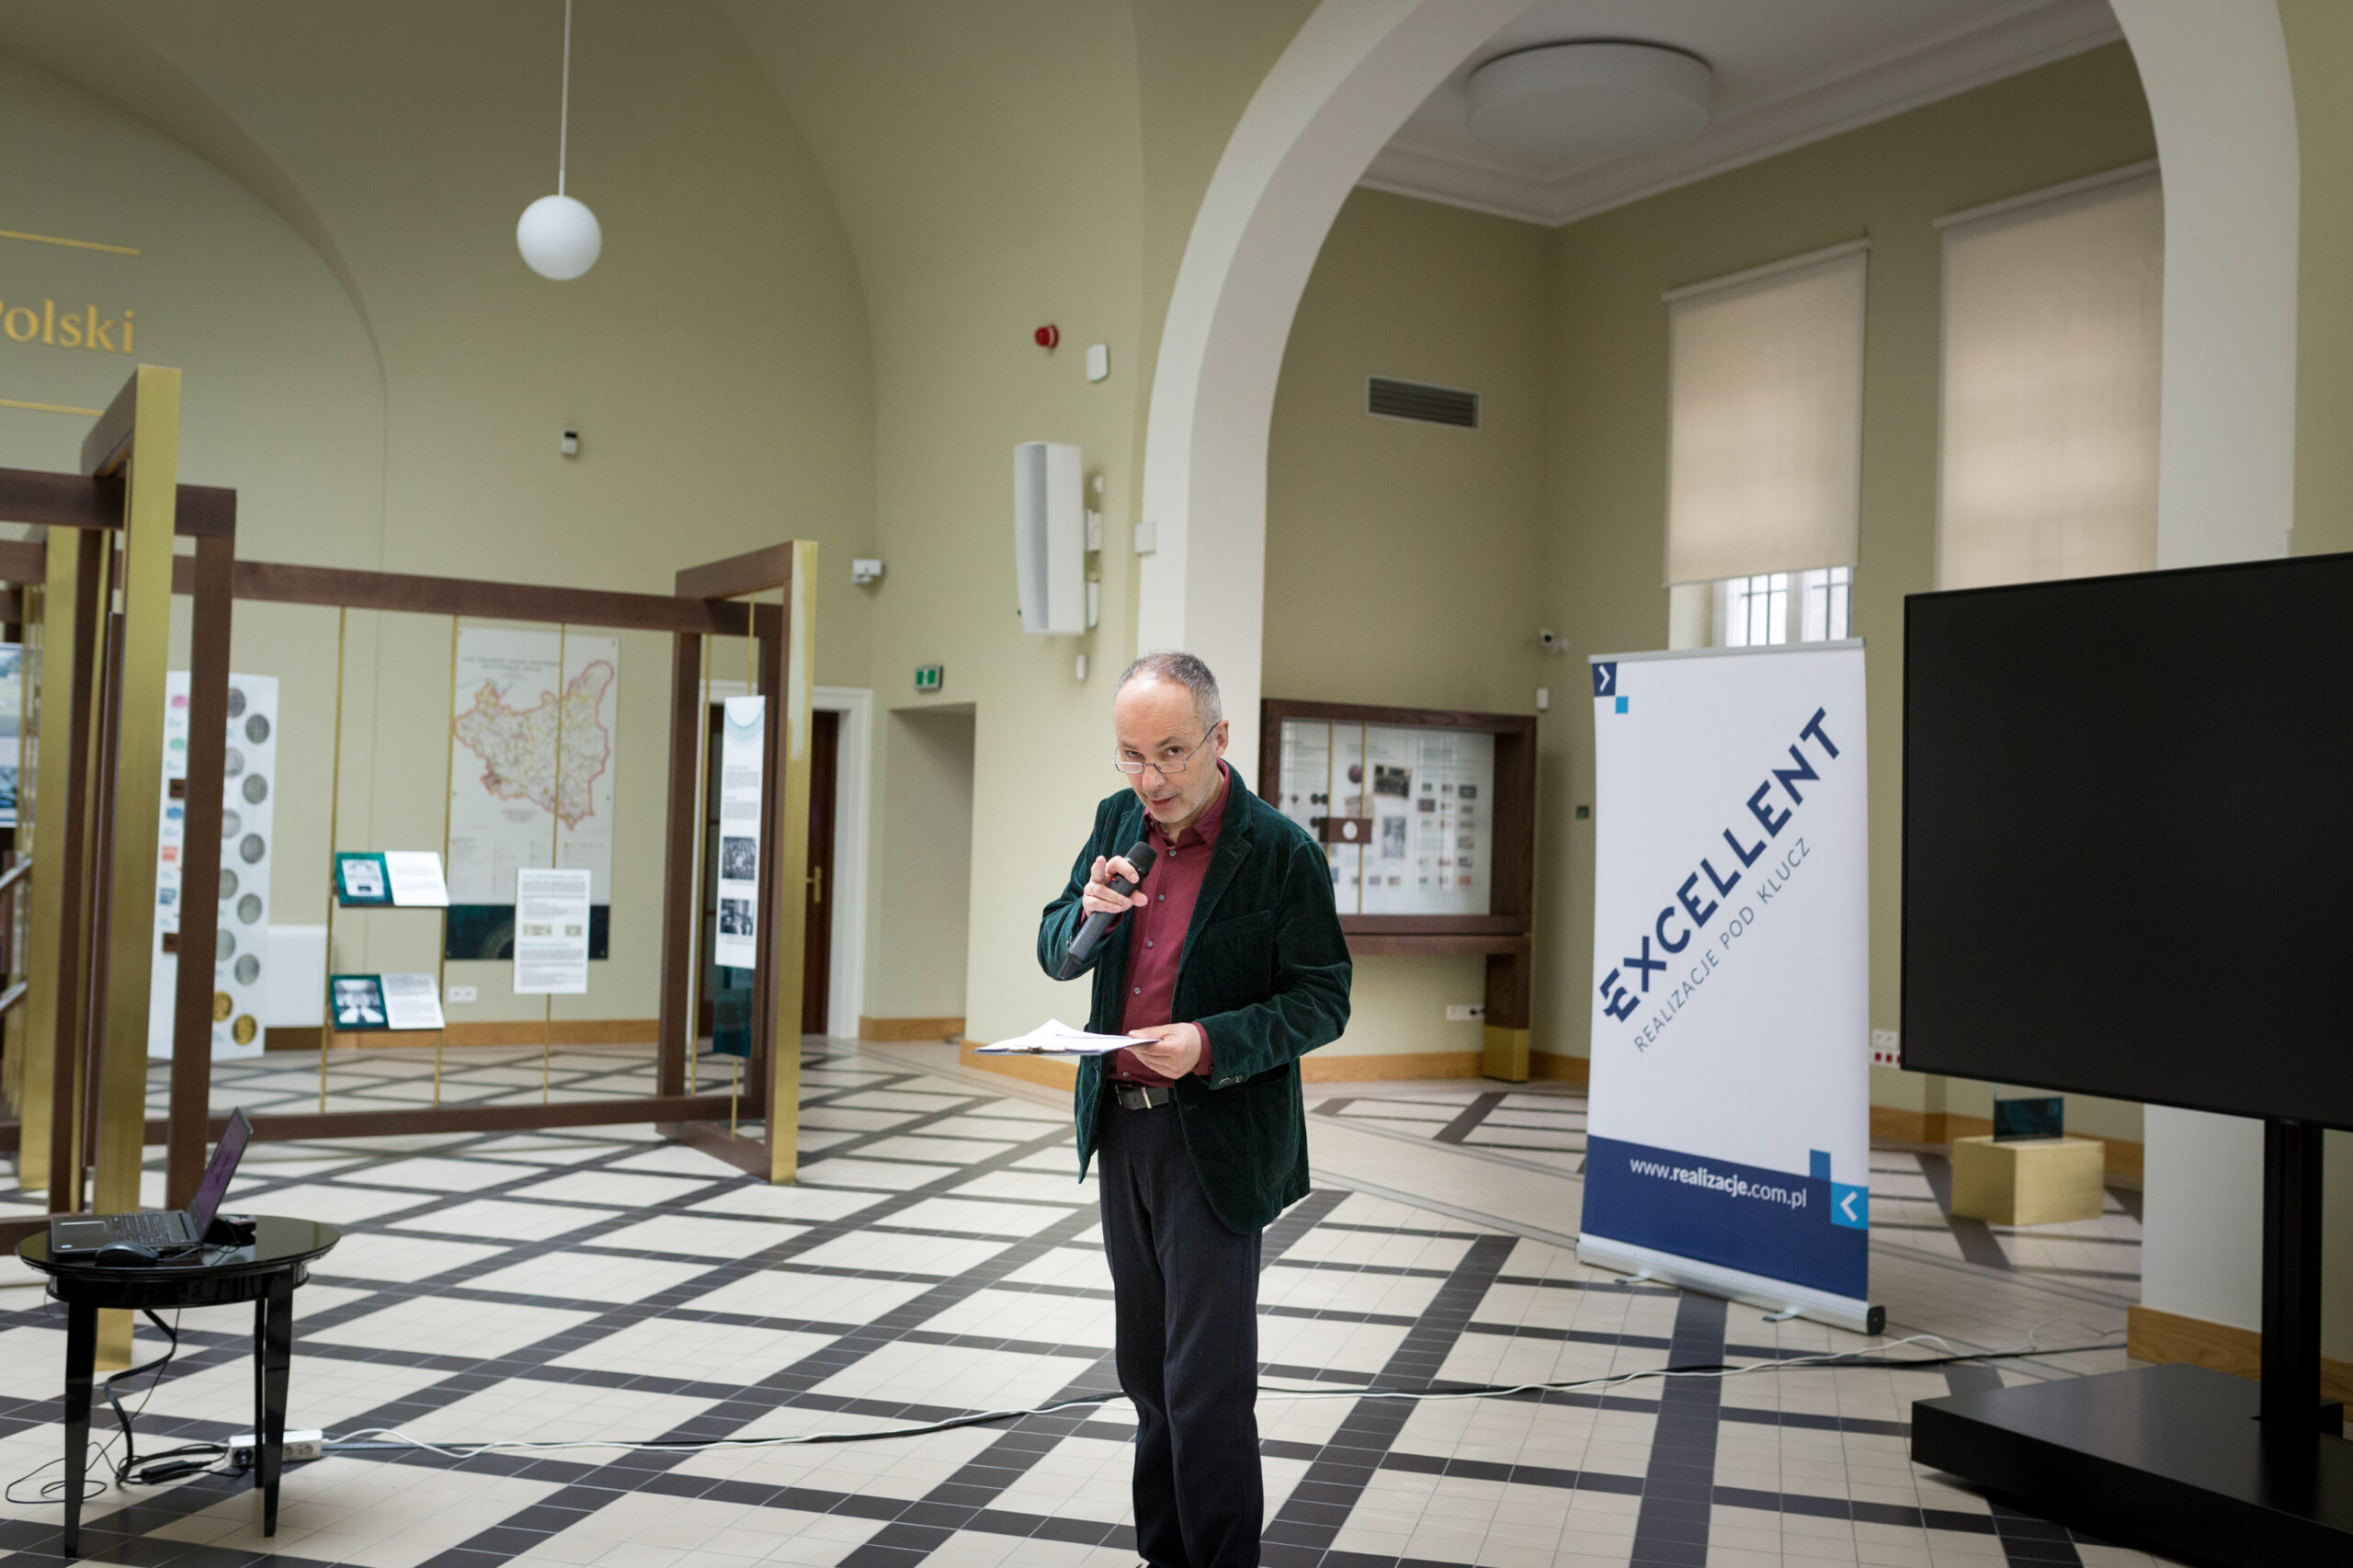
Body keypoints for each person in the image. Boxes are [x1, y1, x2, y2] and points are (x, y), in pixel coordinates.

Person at [1037, 652, 1351, 1568]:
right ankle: (1163, 1554)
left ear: (1220, 737)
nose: (1152, 778)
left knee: (1204, 1386)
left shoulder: (1279, 851)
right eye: (1132, 755)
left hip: (1213, 1137)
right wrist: (1090, 915)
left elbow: (1321, 1000)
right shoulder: (1116, 821)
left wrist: (1208, 1042)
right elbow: (1056, 946)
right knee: (1145, 1372)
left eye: (1171, 752)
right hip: (1121, 1123)